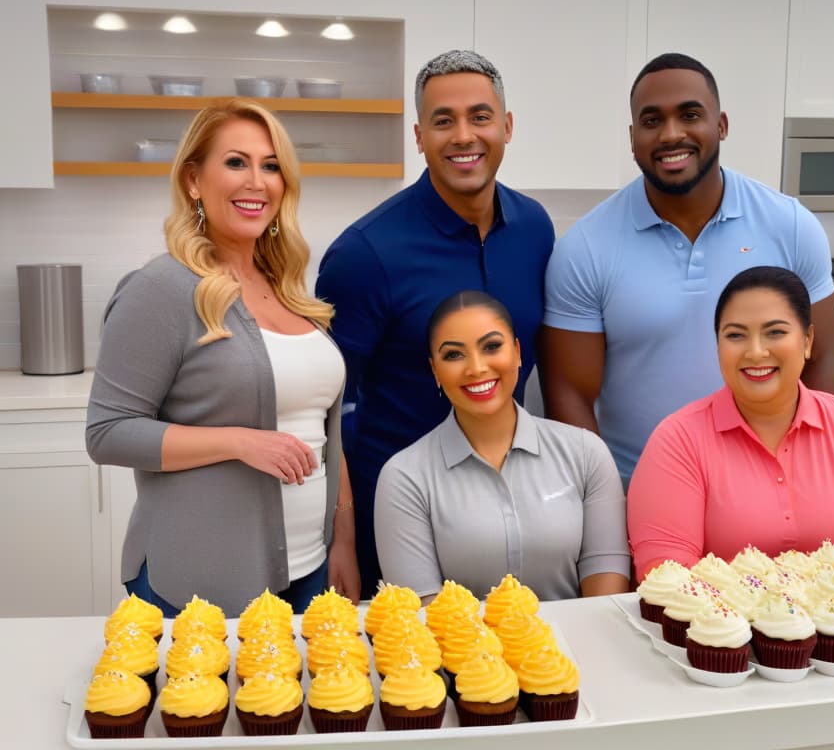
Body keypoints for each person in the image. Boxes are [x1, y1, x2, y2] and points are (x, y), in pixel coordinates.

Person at [86, 99, 360, 617]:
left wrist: (342, 540)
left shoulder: (290, 292)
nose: (257, 181)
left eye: (271, 165)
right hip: (200, 585)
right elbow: (107, 432)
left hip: (309, 573)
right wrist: (239, 443)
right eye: (236, 162)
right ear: (194, 179)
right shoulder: (161, 289)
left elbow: (324, 433)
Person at [540, 52, 834, 486]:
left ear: (721, 125)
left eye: (690, 115)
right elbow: (569, 396)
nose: (671, 134)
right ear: (632, 137)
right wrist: (604, 506)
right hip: (640, 493)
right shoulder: (585, 248)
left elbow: (824, 356)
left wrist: (807, 476)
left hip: (771, 486)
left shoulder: (791, 226)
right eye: (651, 120)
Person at [315, 50, 555, 596]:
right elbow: (327, 411)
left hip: (511, 507)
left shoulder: (535, 229)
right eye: (444, 121)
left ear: (507, 127)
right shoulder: (364, 254)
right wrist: (343, 540)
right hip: (398, 517)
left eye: (480, 117)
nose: (464, 136)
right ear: (420, 137)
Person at [626, 266, 834, 578]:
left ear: (808, 341)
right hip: (724, 624)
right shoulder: (678, 440)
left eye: (775, 332)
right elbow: (665, 574)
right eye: (735, 335)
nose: (756, 352)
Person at [374, 290, 630, 601]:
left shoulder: (586, 453)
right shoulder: (404, 477)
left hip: (577, 645)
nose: (477, 367)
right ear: (435, 371)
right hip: (460, 649)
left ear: (518, 352)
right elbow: (421, 604)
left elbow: (605, 568)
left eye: (492, 346)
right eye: (454, 354)